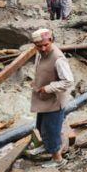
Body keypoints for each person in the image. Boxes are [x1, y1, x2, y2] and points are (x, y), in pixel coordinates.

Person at [30, 29, 74, 162]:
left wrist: (49, 88)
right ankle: (45, 147)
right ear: (35, 45)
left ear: (51, 41)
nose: (43, 48)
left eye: (46, 45)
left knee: (52, 131)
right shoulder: (40, 53)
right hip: (43, 99)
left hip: (54, 101)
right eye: (39, 46)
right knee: (41, 126)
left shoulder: (58, 58)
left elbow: (68, 81)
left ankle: (58, 160)